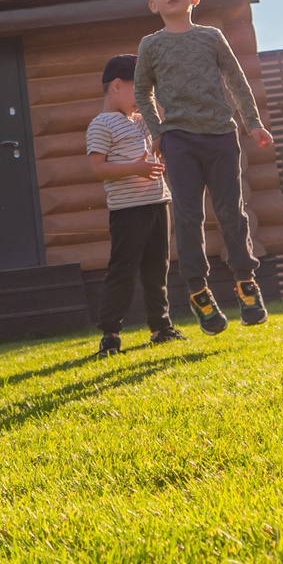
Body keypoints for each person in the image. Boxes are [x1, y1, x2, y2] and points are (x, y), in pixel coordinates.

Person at [131, 0, 273, 335]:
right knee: (189, 217)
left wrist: (253, 123)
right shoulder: (151, 46)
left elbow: (238, 82)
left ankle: (246, 282)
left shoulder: (212, 37)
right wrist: (158, 132)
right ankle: (198, 292)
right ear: (153, 3)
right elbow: (141, 92)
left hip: (221, 136)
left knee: (232, 212)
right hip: (178, 141)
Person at [87, 53, 176, 355]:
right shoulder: (101, 125)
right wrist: (134, 169)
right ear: (116, 86)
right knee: (123, 270)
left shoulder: (142, 121)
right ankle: (110, 334)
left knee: (157, 268)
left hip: (158, 202)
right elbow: (98, 168)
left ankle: (161, 327)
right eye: (139, 90)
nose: (144, 97)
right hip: (128, 211)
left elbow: (162, 134)